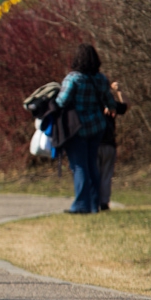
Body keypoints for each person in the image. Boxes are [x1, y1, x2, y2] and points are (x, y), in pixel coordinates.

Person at [55, 44, 117, 214]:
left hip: (76, 127)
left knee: (79, 166)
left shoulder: (73, 79)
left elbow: (61, 101)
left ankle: (81, 205)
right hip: (97, 126)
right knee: (92, 165)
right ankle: (94, 204)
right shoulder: (101, 79)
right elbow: (110, 103)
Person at [98, 81, 128, 211]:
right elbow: (125, 106)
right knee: (106, 176)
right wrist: (119, 91)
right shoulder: (110, 104)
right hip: (109, 144)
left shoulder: (90, 104)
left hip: (94, 144)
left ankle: (94, 201)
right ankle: (104, 202)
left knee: (94, 174)